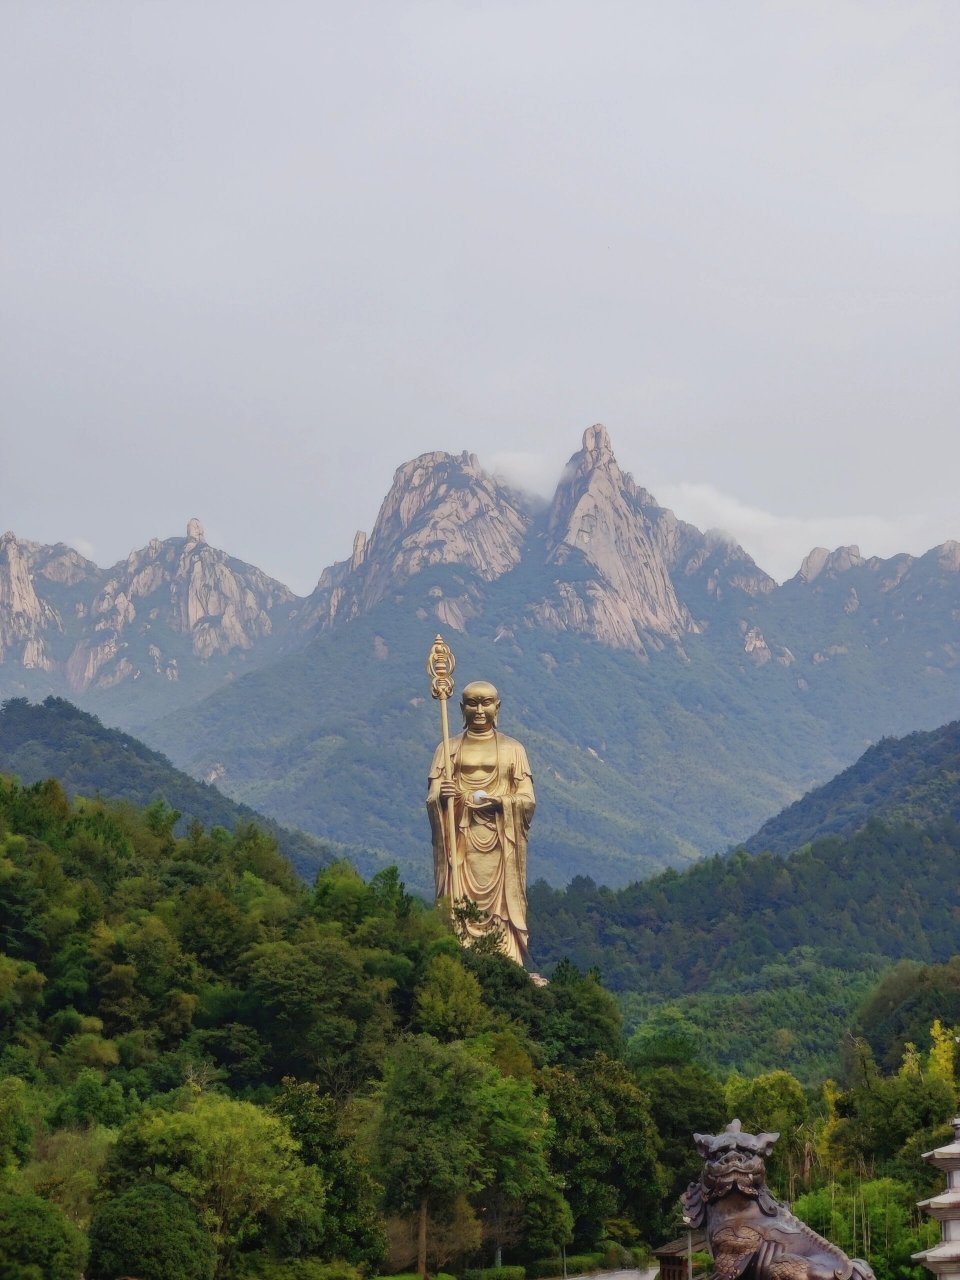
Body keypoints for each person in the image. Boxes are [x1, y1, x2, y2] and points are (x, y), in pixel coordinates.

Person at [426, 681, 535, 965]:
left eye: (486, 702)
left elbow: (527, 798)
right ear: (461, 708)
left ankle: (505, 957)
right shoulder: (447, 750)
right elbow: (433, 796)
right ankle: (460, 953)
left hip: (500, 841)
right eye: (472, 703)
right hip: (461, 841)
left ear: (497, 707)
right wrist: (444, 795)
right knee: (460, 901)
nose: (479, 710)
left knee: (500, 906)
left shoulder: (514, 750)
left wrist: (501, 802)